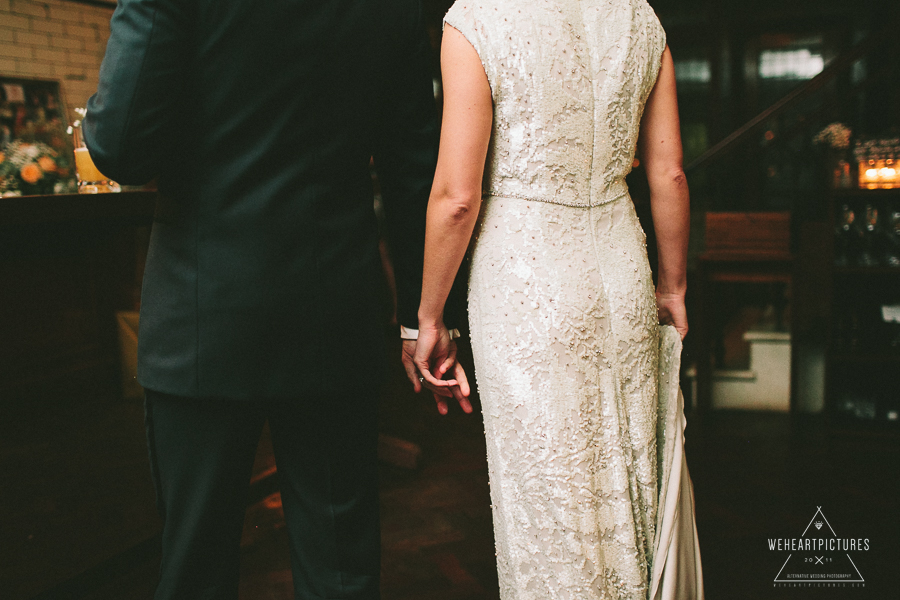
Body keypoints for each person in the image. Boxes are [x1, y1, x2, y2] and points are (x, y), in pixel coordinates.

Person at [83, 0, 454, 597]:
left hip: (205, 312)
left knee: (195, 569)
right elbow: (414, 168)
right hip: (336, 305)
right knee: (341, 570)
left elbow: (121, 148)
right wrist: (420, 316)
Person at [409, 1, 703, 598]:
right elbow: (669, 173)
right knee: (628, 485)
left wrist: (429, 315)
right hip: (621, 269)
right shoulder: (640, 19)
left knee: (549, 505)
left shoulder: (476, 21)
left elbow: (457, 197)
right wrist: (672, 287)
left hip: (526, 283)